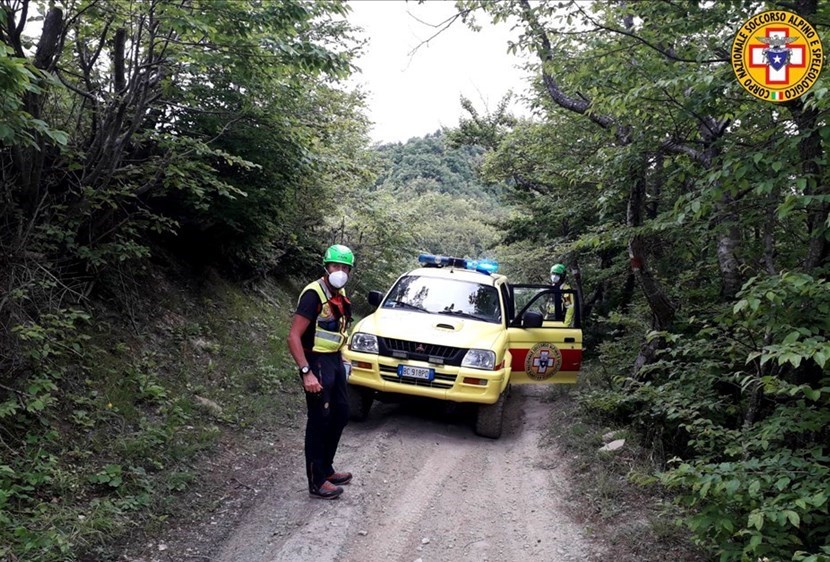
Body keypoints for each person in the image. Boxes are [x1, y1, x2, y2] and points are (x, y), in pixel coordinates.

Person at [287, 244, 355, 499]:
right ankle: (316, 482)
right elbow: (293, 337)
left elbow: (336, 329)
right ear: (326, 267)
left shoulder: (339, 292)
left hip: (334, 360)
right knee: (319, 420)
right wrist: (306, 372)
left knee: (341, 413)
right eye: (336, 266)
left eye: (345, 268)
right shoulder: (313, 294)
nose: (340, 272)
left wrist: (342, 356)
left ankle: (326, 469)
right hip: (315, 361)